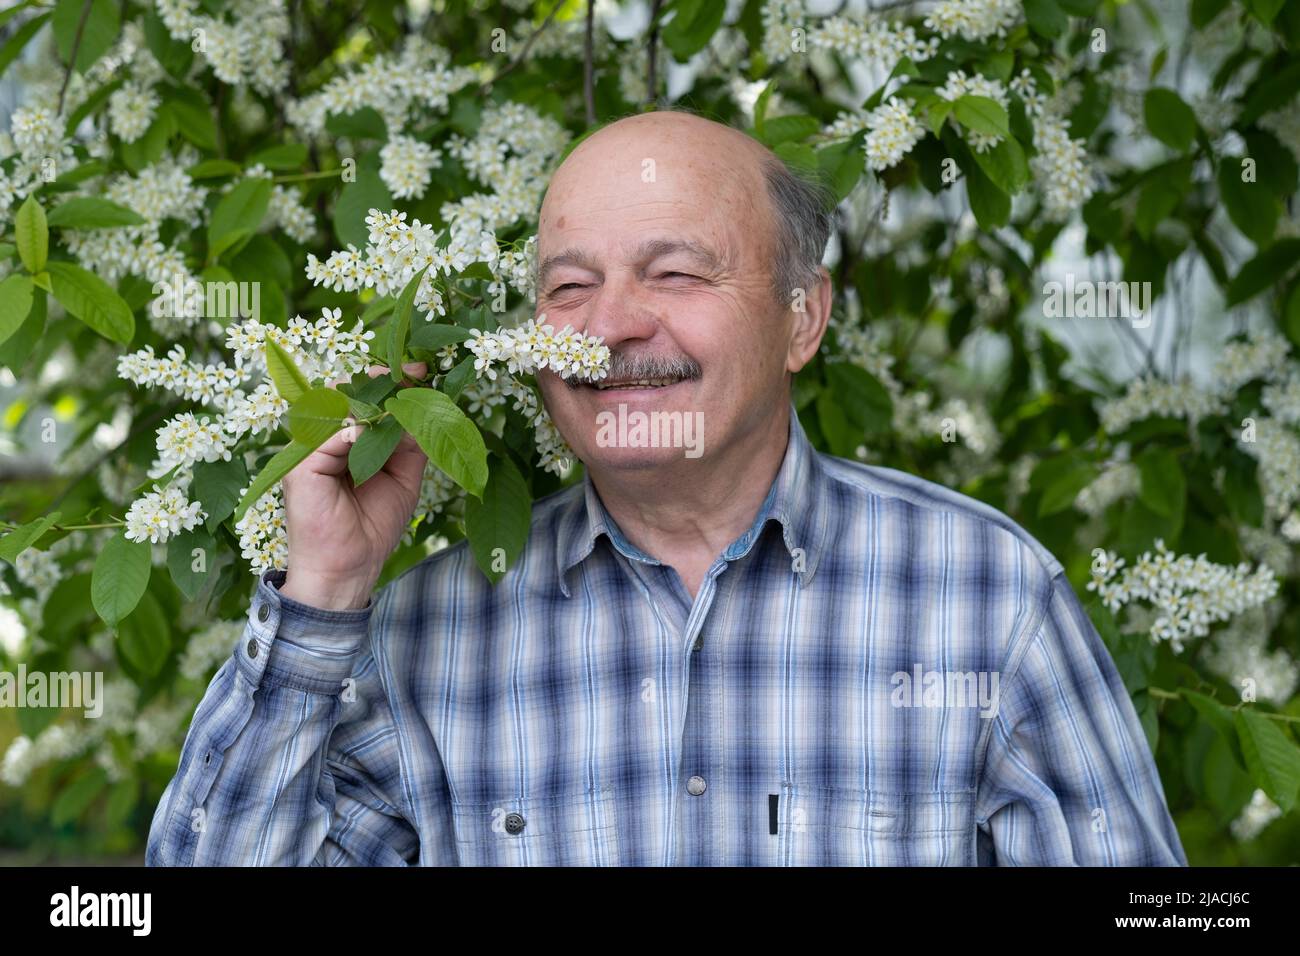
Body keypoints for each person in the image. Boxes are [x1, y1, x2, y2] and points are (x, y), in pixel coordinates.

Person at [146, 110, 1187, 866]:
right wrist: (323, 588)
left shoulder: (985, 596)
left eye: (676, 273)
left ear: (802, 318)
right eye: (568, 286)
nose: (610, 328)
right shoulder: (424, 637)